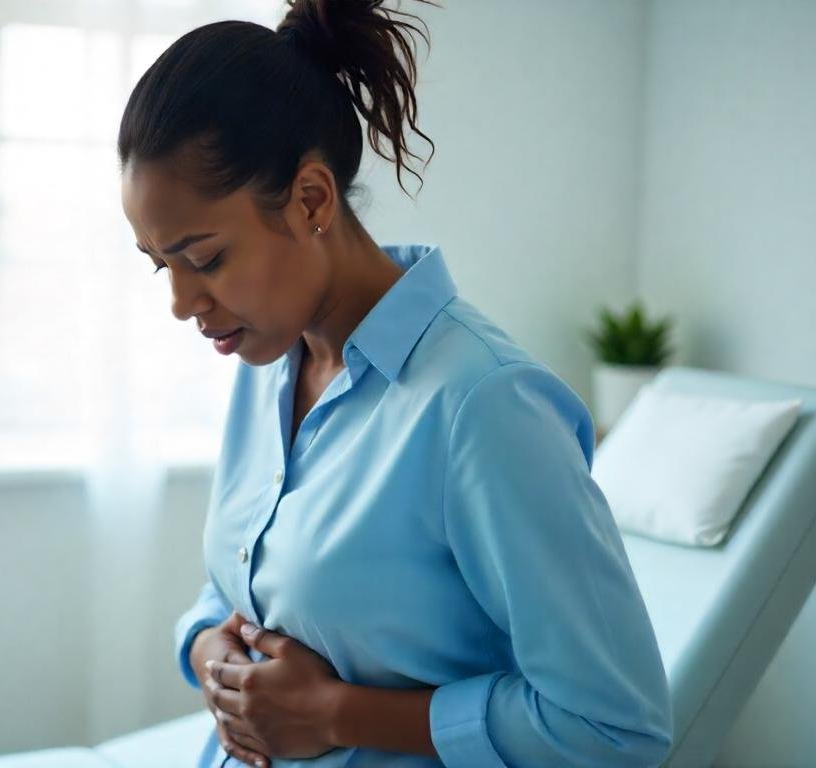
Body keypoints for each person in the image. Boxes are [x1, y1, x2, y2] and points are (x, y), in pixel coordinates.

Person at [116, 1, 673, 766]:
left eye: (204, 258)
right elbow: (242, 596)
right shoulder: (267, 366)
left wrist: (336, 714)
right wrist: (213, 654)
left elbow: (617, 729)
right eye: (161, 265)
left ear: (311, 200)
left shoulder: (484, 406)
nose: (182, 303)